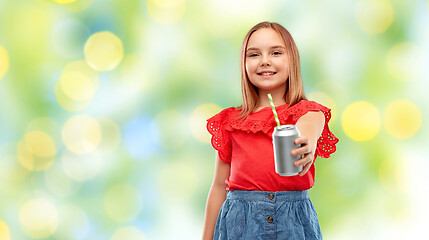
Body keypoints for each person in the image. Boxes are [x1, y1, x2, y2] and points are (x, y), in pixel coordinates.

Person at [202, 21, 339, 240]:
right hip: (240, 226)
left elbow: (310, 126)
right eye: (254, 55)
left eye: (275, 52)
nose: (265, 61)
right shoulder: (231, 122)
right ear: (244, 63)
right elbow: (219, 187)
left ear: (292, 59)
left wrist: (306, 142)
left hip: (293, 224)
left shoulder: (307, 113)